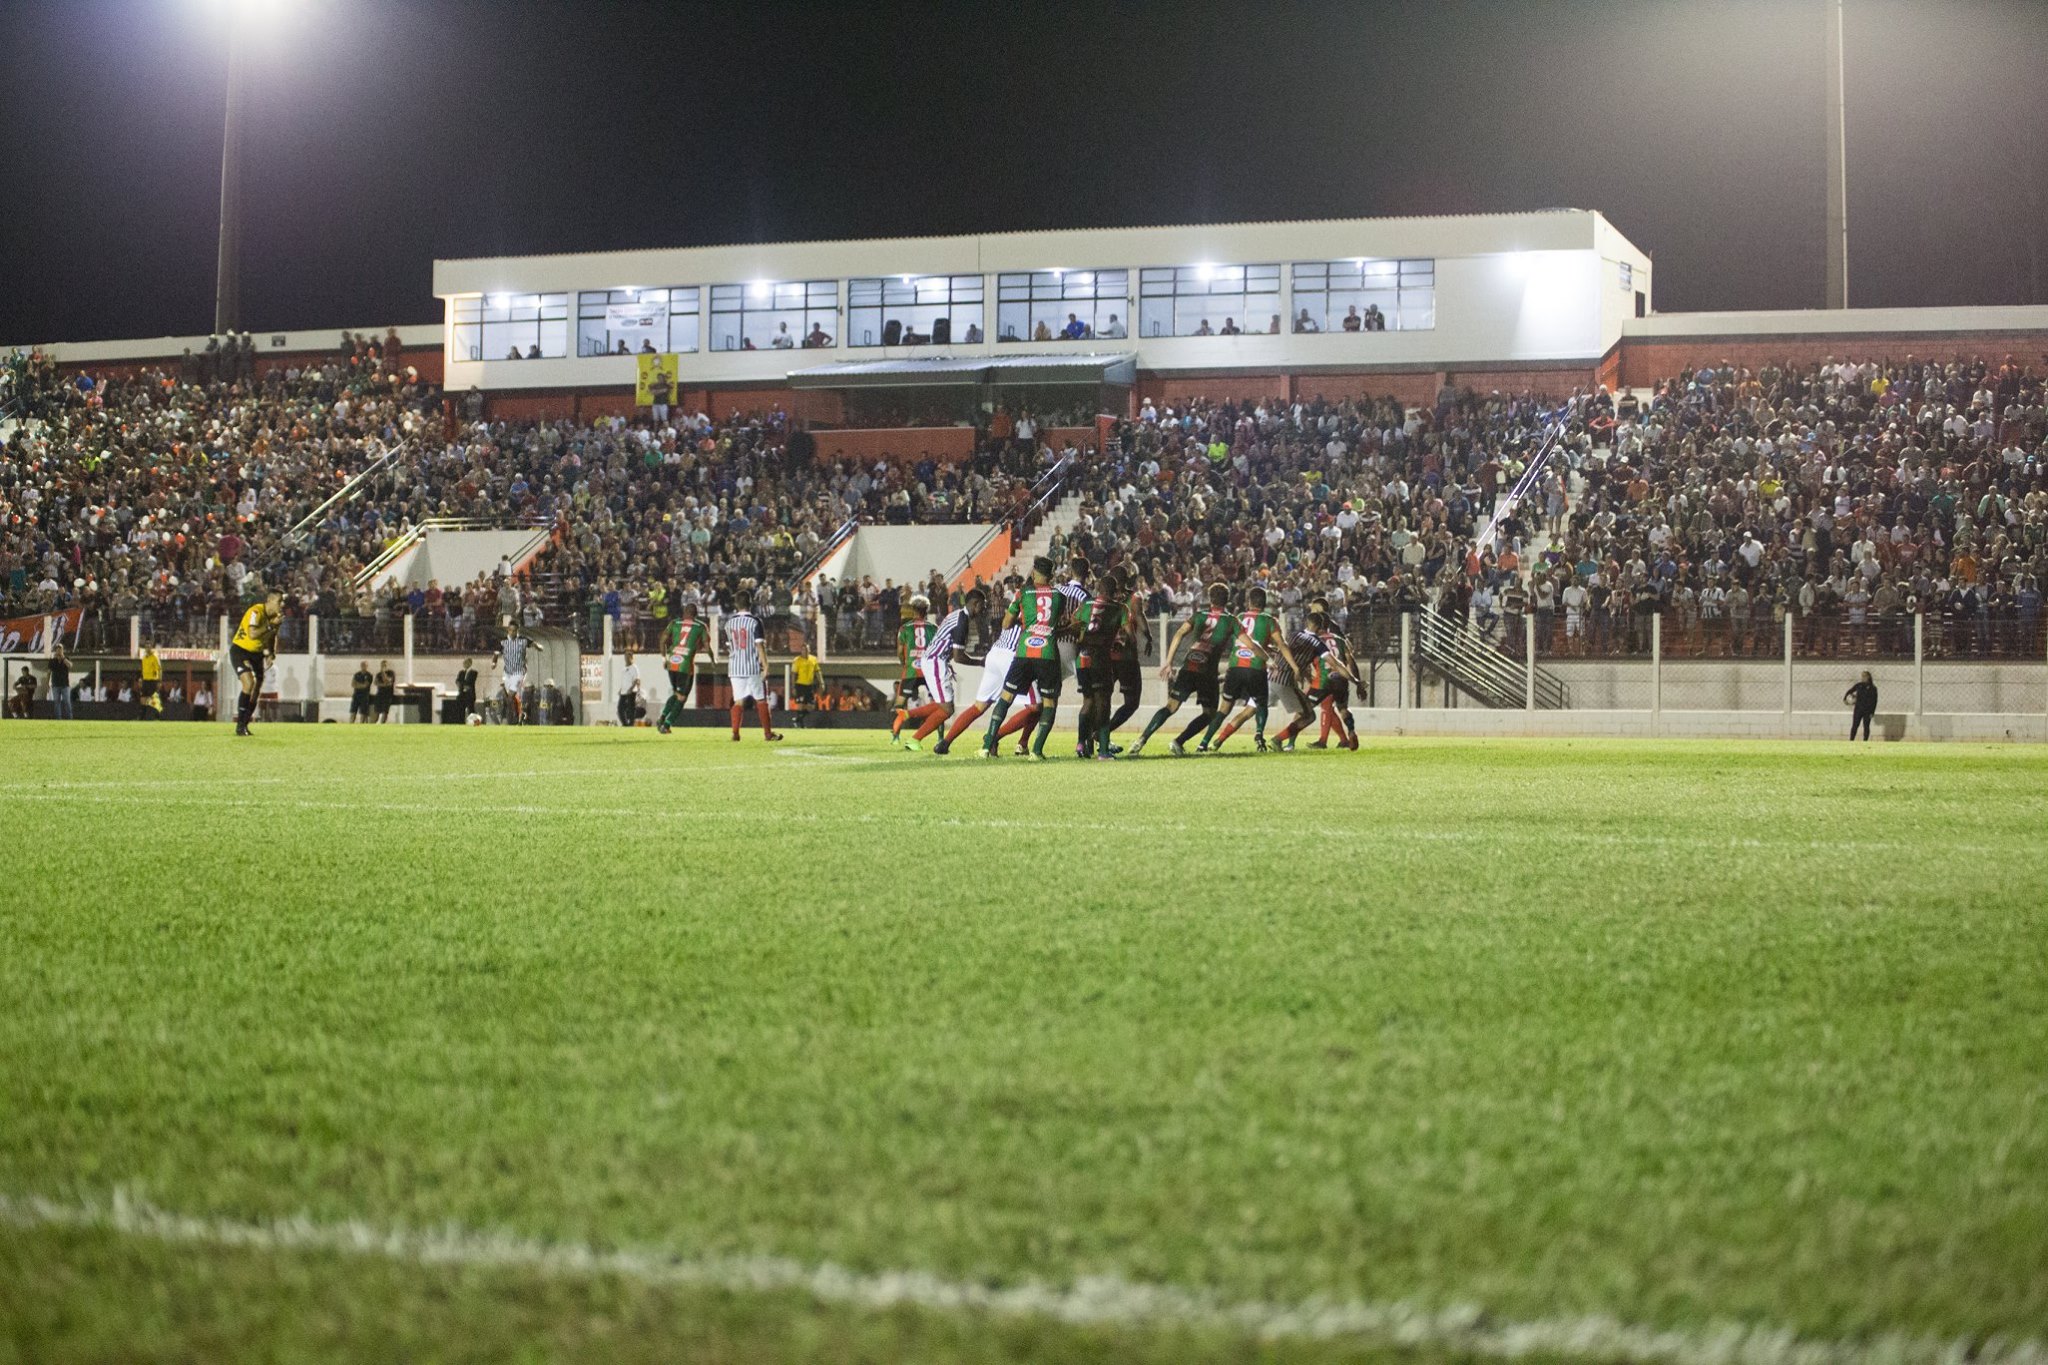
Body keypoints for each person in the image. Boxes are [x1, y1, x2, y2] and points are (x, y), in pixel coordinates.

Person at [1129, 582, 1260, 757]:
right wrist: (1267, 657)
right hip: (1207, 671)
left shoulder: (1198, 616)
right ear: (1227, 600)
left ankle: (1141, 740)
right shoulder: (1231, 621)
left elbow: (1179, 634)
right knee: (1210, 713)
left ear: (1210, 599)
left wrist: (1168, 662)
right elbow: (1249, 644)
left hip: (1190, 665)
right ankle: (1178, 741)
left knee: (1171, 706)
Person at [979, 557, 1067, 760]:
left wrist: (1022, 618)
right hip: (1048, 654)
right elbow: (1056, 620)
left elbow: (1006, 624)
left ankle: (986, 746)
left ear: (1034, 572)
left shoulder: (1023, 593)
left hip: (1024, 653)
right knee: (1049, 703)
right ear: (1052, 575)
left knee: (1006, 697)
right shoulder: (1058, 596)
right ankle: (1036, 751)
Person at [1209, 585, 1298, 753]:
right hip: (1259, 670)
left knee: (1231, 709)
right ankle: (1266, 737)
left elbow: (1240, 639)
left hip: (1236, 668)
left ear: (1248, 602)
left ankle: (1211, 741)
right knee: (1303, 712)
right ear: (1264, 604)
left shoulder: (1239, 616)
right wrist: (1295, 667)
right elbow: (1282, 644)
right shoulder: (1270, 620)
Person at [902, 585, 983, 750]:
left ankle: (907, 715)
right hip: (935, 661)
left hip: (936, 661)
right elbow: (959, 657)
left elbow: (952, 650)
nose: (984, 609)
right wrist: (979, 662)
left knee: (943, 705)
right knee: (946, 709)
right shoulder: (962, 622)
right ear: (975, 603)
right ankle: (914, 739)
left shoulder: (957, 615)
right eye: (983, 605)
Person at [724, 583, 783, 741]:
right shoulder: (755, 621)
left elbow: (730, 646)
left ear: (736, 604)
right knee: (761, 699)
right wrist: (765, 665)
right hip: (751, 666)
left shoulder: (729, 623)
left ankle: (735, 733)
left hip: (735, 667)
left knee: (738, 701)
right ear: (750, 603)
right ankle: (768, 734)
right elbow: (759, 645)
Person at [229, 590, 282, 736]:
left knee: (257, 688)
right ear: (270, 601)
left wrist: (271, 653)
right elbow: (252, 634)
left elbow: (272, 636)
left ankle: (245, 724)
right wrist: (271, 626)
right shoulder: (256, 611)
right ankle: (240, 725)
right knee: (248, 683)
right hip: (241, 650)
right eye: (279, 601)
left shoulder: (275, 617)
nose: (281, 605)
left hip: (257, 654)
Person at [890, 596, 938, 745]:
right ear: (926, 610)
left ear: (913, 610)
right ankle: (940, 737)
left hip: (911, 670)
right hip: (929, 670)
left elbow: (899, 651)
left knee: (899, 705)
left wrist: (904, 663)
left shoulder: (904, 628)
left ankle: (896, 737)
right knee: (940, 704)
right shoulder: (934, 628)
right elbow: (938, 650)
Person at [656, 604, 708, 735]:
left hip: (672, 663)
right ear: (696, 614)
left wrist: (663, 658)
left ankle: (662, 716)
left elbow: (662, 640)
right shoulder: (700, 626)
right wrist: (711, 657)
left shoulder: (674, 622)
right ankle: (666, 725)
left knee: (676, 693)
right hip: (685, 666)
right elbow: (706, 646)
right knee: (682, 697)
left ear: (684, 612)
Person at [500, 631, 532, 726]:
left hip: (517, 685)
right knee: (513, 701)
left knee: (515, 701)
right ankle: (519, 717)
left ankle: (520, 717)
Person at [790, 643, 821, 725]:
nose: (805, 651)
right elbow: (793, 674)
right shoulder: (797, 660)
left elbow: (817, 671)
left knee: (811, 706)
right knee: (801, 704)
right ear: (801, 651)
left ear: (809, 650)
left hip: (809, 686)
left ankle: (797, 719)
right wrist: (793, 687)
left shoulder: (813, 659)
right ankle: (801, 725)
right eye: (803, 649)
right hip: (800, 685)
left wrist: (821, 682)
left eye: (807, 649)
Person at [1844, 670, 1878, 741]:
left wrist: (1872, 712)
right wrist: (1845, 698)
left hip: (1867, 711)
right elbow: (1850, 691)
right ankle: (1851, 740)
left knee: (1866, 726)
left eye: (1865, 676)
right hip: (1858, 709)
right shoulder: (1859, 685)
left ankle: (1865, 741)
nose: (1863, 678)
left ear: (1869, 677)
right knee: (1855, 725)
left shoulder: (1873, 688)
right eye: (1862, 676)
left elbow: (1874, 701)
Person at [617, 651, 644, 726]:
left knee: (631, 709)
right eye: (625, 657)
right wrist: (620, 689)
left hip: (631, 692)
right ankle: (625, 723)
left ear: (632, 658)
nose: (626, 659)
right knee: (620, 708)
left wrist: (631, 689)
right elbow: (624, 681)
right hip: (623, 692)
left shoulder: (634, 668)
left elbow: (637, 680)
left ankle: (631, 724)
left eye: (627, 657)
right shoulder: (624, 669)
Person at [138, 646, 163, 718]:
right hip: (145, 680)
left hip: (152, 680)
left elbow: (159, 669)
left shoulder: (154, 657)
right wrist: (141, 678)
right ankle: (142, 716)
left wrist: (159, 681)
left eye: (149, 647)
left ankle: (158, 715)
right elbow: (143, 669)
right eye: (146, 647)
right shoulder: (144, 658)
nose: (147, 648)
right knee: (143, 698)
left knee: (154, 698)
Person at [47, 645, 71, 720]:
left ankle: (69, 718)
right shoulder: (52, 661)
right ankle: (58, 718)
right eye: (57, 650)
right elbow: (48, 672)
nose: (59, 651)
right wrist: (47, 683)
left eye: (60, 650)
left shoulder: (66, 659)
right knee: (56, 702)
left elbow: (70, 665)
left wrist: (63, 658)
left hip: (65, 685)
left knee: (67, 701)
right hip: (55, 685)